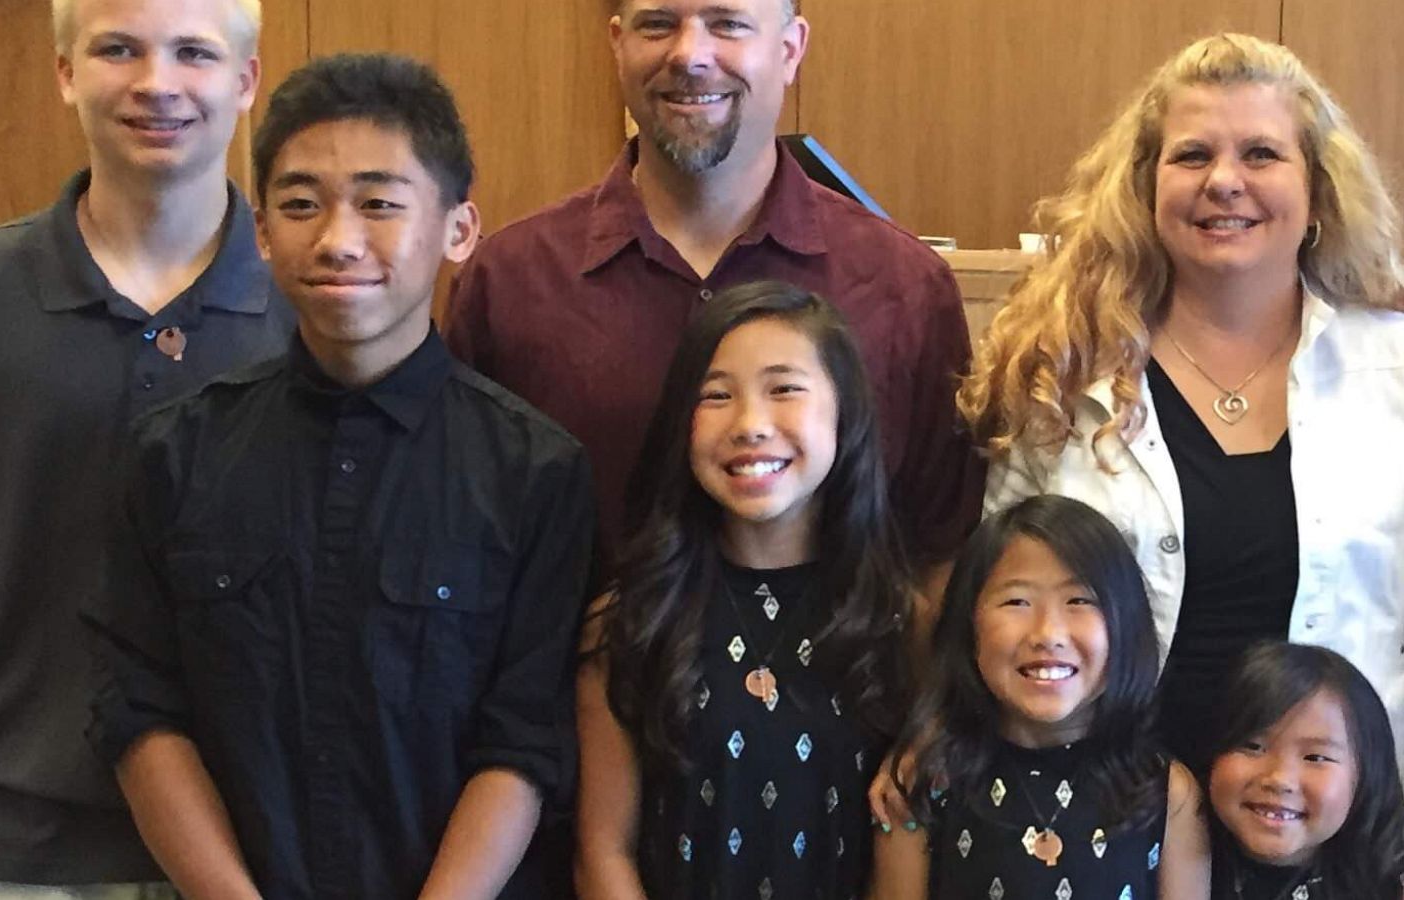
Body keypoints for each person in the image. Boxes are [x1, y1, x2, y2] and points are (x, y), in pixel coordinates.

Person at [82, 53, 595, 900]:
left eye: (380, 203)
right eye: (300, 205)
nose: (337, 239)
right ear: (259, 229)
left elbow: (526, 740)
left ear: (459, 231)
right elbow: (138, 712)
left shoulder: (535, 471)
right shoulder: (174, 454)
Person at [0, 0, 285, 896]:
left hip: (257, 850)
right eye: (117, 49)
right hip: (23, 845)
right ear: (65, 73)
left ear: (246, 82)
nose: (157, 83)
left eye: (193, 52)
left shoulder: (318, 306)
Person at [959, 32, 1404, 775]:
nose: (1224, 181)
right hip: (1112, 819)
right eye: (1192, 156)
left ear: (1319, 190)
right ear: (1145, 189)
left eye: (1261, 154)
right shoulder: (1062, 371)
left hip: (1334, 826)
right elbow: (995, 603)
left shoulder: (1390, 368)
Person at [444, 0, 981, 580]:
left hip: (840, 671)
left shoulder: (907, 287)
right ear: (618, 43)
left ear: (790, 49)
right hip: (579, 669)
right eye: (658, 24)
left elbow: (938, 554)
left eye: (726, 23)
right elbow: (462, 540)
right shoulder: (509, 283)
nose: (689, 55)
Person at [576, 281, 911, 899]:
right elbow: (603, 850)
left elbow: (904, 859)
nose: (751, 424)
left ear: (845, 411)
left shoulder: (897, 620)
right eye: (717, 396)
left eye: (784, 388)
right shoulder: (632, 616)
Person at [874, 495, 1210, 900]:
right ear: (968, 625)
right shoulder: (925, 779)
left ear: (1126, 624)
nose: (1048, 633)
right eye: (1017, 601)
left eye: (1080, 601)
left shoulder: (1167, 792)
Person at [1206, 642, 1404, 900]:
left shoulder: (1389, 877)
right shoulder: (1174, 854)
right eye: (1253, 746)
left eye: (1315, 757)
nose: (1279, 778)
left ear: (1367, 774)